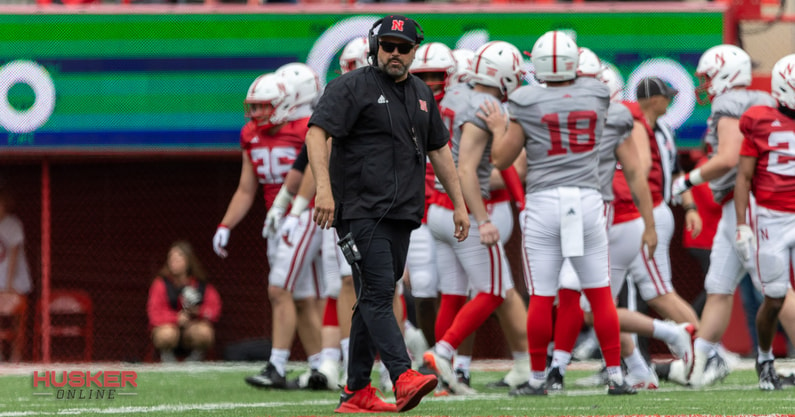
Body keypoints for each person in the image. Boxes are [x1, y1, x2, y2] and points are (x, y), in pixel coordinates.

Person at [306, 14, 470, 413]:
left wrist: (460, 203)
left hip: (402, 213)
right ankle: (402, 374)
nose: (395, 53)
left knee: (372, 297)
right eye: (388, 46)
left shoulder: (420, 93)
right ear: (374, 47)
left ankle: (356, 391)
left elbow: (440, 151)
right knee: (380, 293)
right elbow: (316, 131)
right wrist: (323, 190)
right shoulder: (350, 85)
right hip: (360, 211)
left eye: (404, 47)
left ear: (414, 51)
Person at [489, 30, 634, 396]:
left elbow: (502, 158)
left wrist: (499, 128)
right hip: (587, 199)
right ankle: (616, 375)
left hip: (543, 201)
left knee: (541, 295)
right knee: (600, 294)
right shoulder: (598, 93)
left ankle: (538, 379)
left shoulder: (524, 99)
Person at [422, 40, 529, 396]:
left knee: (452, 294)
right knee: (496, 290)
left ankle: (442, 380)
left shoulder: (453, 96)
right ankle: (442, 352)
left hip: (437, 208)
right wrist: (482, 219)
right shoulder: (487, 106)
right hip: (462, 210)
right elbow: (467, 170)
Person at [672, 44, 778, 387]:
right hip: (751, 201)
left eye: (706, 77)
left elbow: (730, 157)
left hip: (746, 204)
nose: (703, 85)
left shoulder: (729, 103)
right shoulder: (760, 99)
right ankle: (699, 364)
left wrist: (687, 179)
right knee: (718, 287)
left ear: (724, 73)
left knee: (773, 289)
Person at [213, 71, 326, 389]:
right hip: (275, 219)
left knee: (278, 289)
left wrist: (297, 209)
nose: (256, 114)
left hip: (305, 215)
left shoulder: (305, 128)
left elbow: (316, 171)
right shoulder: (250, 134)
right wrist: (226, 224)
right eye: (254, 107)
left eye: (264, 107)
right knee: (301, 298)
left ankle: (276, 366)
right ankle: (322, 369)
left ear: (286, 104)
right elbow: (246, 189)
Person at [734, 53, 795, 390]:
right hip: (772, 218)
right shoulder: (759, 120)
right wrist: (742, 224)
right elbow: (743, 178)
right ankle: (765, 356)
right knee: (773, 298)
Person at [147, 240, 221, 362]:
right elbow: (154, 314)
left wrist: (198, 312)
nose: (173, 262)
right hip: (169, 330)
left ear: (188, 261)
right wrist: (176, 318)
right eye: (171, 258)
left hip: (192, 329)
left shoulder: (201, 285)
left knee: (205, 333)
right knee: (167, 334)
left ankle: (194, 360)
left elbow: (214, 311)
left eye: (178, 258)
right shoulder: (161, 284)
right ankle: (168, 360)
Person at [0, 188, 31, 297]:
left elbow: (14, 255)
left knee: (15, 310)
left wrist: (8, 285)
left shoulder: (13, 224)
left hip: (15, 282)